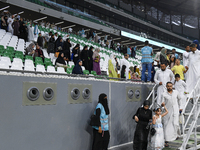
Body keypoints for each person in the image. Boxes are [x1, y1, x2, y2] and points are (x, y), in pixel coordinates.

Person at [161, 82, 182, 147]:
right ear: (166, 87)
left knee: (175, 124)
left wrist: (180, 107)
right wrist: (162, 106)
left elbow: (180, 99)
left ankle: (176, 135)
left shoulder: (176, 92)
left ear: (172, 86)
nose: (170, 87)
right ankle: (166, 140)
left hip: (175, 110)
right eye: (168, 86)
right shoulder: (164, 94)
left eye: (170, 86)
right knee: (167, 126)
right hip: (167, 112)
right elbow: (161, 103)